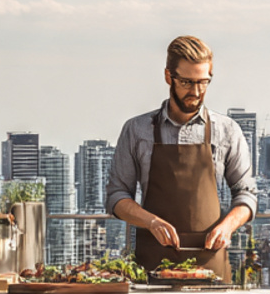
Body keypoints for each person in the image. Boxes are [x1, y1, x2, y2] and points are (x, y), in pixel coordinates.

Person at [106, 35, 257, 281]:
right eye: (187, 82)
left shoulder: (228, 131)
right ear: (169, 77)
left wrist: (227, 226)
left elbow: (246, 194)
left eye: (203, 82)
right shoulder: (136, 130)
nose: (196, 92)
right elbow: (116, 196)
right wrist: (151, 222)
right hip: (152, 264)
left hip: (211, 264)